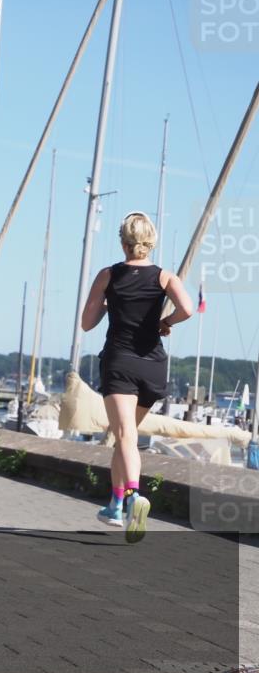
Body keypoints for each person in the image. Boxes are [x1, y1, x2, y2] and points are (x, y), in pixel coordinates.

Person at [81, 211, 193, 543]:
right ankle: (115, 505)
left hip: (120, 362)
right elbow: (187, 308)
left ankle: (132, 496)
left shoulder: (108, 275)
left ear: (123, 241)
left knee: (126, 435)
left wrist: (106, 303)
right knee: (124, 436)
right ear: (151, 242)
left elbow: (87, 323)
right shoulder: (165, 277)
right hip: (152, 365)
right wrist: (166, 322)